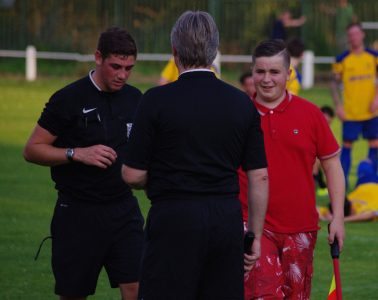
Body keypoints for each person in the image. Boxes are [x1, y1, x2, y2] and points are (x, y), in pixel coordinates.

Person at [122, 10, 269, 300]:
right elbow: (259, 176)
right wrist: (254, 236)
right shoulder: (241, 102)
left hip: (173, 217)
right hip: (224, 220)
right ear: (214, 50)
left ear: (174, 50)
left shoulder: (155, 100)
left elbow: (132, 174)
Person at [23, 27, 144, 300]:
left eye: (129, 68)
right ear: (98, 57)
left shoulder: (136, 99)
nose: (122, 74)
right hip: (78, 212)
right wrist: (75, 153)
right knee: (73, 294)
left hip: (124, 210)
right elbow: (32, 149)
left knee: (137, 287)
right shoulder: (68, 99)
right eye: (116, 66)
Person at [240, 39, 345, 299]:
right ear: (251, 72)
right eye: (259, 71)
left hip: (301, 228)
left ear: (289, 74)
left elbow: (332, 165)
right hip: (252, 227)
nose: (266, 79)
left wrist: (339, 216)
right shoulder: (237, 114)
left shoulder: (310, 114)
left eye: (274, 72)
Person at [331, 22, 378, 189]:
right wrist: (338, 106)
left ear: (363, 34)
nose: (354, 37)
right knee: (347, 146)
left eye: (356, 34)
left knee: (375, 144)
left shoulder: (373, 56)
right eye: (351, 35)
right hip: (350, 113)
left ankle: (372, 182)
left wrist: (376, 98)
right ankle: (343, 184)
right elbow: (334, 84)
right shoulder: (342, 59)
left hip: (372, 112)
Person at [313, 105, 336, 195]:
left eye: (328, 122)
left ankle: (321, 184)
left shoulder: (328, 132)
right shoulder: (314, 129)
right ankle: (317, 184)